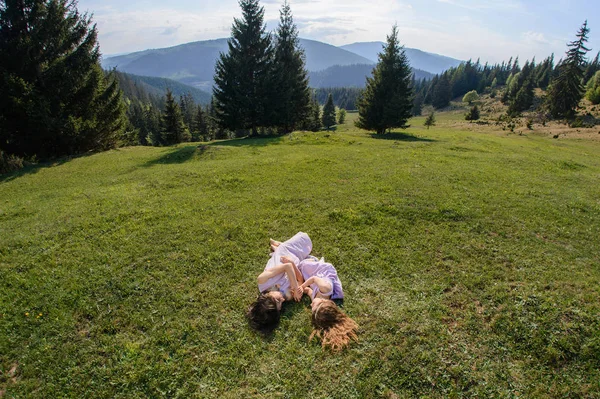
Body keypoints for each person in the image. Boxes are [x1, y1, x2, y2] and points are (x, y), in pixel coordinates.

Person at [246, 232, 313, 333]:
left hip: (287, 250)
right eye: (281, 304)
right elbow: (300, 279)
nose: (282, 299)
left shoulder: (263, 281)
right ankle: (276, 246)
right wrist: (297, 286)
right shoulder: (287, 296)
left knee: (305, 239)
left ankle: (278, 247)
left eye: (278, 300)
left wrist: (294, 286)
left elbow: (287, 267)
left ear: (267, 295)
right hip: (297, 259)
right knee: (308, 248)